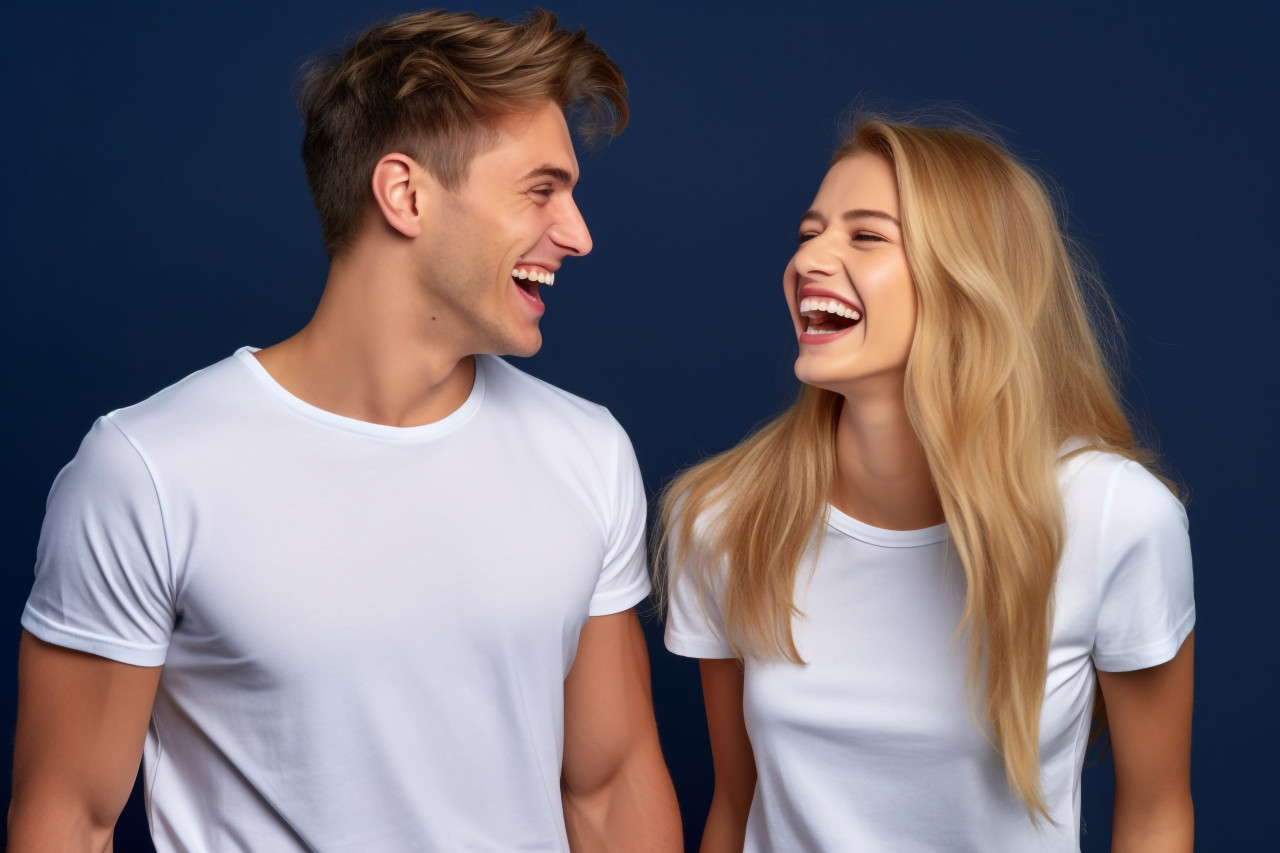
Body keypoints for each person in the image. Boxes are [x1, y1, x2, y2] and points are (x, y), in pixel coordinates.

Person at [9, 9, 681, 851]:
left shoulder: (586, 452)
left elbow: (611, 789)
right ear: (404, 194)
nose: (579, 234)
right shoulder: (147, 470)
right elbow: (68, 820)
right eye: (543, 190)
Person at [662, 116, 1194, 852]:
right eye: (809, 230)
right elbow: (735, 802)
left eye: (866, 235)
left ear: (971, 279)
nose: (810, 256)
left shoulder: (1115, 516)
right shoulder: (722, 516)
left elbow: (1157, 811)